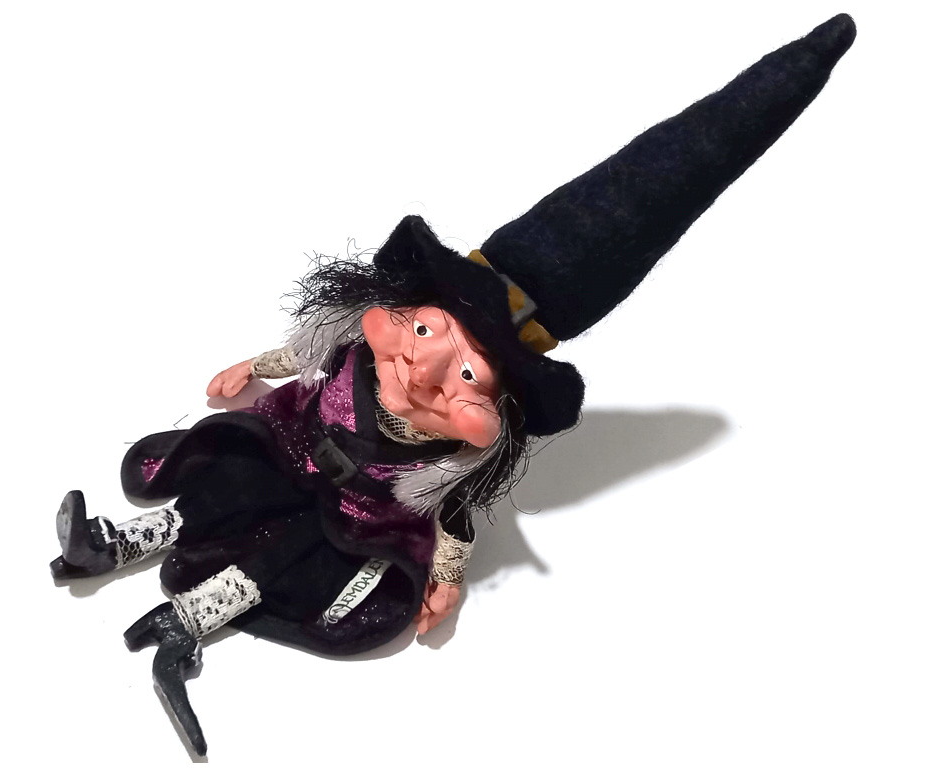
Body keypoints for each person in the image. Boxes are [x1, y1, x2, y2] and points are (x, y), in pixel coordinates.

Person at [51, 15, 855, 756]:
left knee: (297, 555)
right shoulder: (359, 340)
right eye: (431, 333)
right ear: (410, 308)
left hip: (354, 514)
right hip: (289, 443)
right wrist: (258, 368)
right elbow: (308, 347)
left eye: (467, 373)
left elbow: (457, 521)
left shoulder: (452, 459)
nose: (425, 367)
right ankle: (118, 544)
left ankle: (186, 627)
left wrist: (445, 577)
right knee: (227, 475)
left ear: (496, 401)